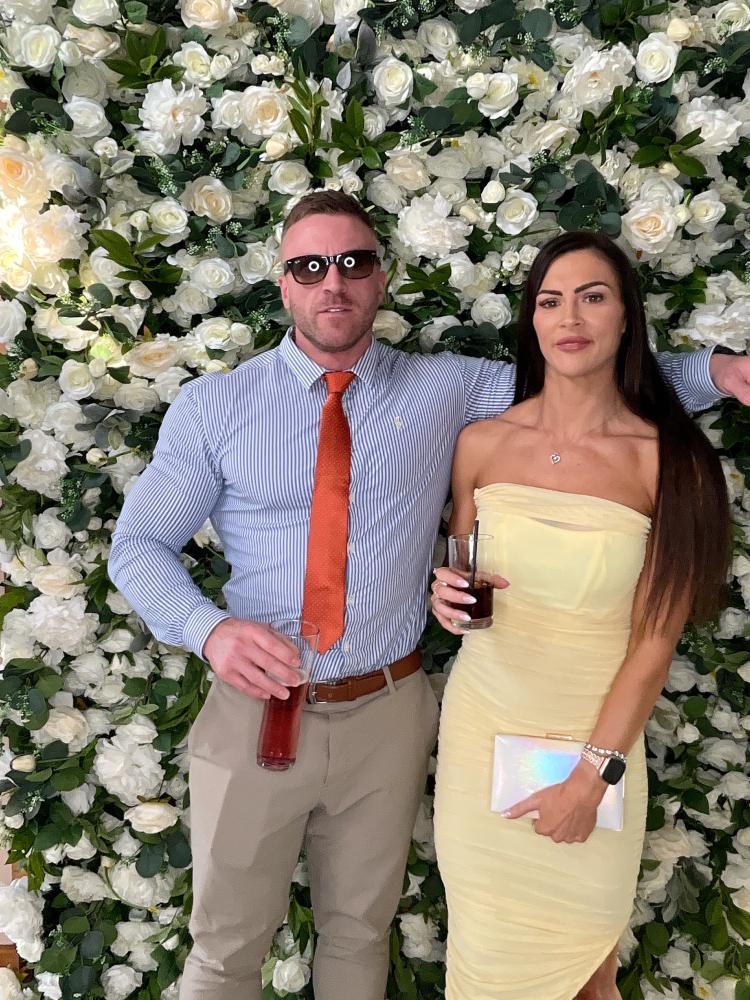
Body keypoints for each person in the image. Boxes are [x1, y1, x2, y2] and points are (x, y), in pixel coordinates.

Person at [108, 192, 747, 1000]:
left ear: (381, 278)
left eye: (354, 262)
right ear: (283, 283)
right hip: (256, 712)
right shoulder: (216, 407)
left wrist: (716, 372)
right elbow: (138, 546)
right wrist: (209, 630)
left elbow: (583, 374)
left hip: (390, 711)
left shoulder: (444, 390)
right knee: (225, 948)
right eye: (310, 266)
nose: (333, 282)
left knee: (360, 935)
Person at [429, 230, 732, 1000]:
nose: (570, 317)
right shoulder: (480, 445)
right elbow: (465, 579)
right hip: (482, 737)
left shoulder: (672, 463)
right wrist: (446, 597)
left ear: (627, 317)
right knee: (485, 970)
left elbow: (654, 646)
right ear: (531, 321)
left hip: (597, 745)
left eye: (593, 297)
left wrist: (593, 778)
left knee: (585, 977)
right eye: (550, 300)